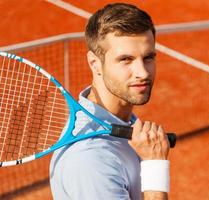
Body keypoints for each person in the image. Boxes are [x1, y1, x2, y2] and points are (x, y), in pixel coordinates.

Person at [50, 3, 171, 200]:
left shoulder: (121, 118)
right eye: (126, 59)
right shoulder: (90, 160)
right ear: (95, 63)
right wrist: (154, 165)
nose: (143, 73)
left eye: (148, 57)